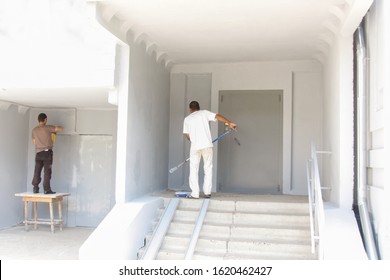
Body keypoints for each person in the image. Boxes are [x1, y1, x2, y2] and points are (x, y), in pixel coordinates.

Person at [183, 101, 237, 199]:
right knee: (208, 168)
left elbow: (187, 135)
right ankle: (207, 192)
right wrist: (229, 122)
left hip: (195, 147)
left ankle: (195, 194)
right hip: (207, 145)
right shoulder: (204, 113)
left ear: (190, 109)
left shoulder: (187, 119)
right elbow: (217, 116)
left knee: (193, 170)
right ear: (199, 108)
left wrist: (195, 140)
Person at [31, 113, 63, 194]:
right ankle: (47, 189)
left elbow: (34, 141)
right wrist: (55, 130)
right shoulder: (48, 127)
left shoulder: (34, 130)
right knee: (47, 172)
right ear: (45, 119)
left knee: (37, 171)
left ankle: (35, 187)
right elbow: (59, 129)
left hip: (38, 153)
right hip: (47, 153)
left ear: (38, 120)